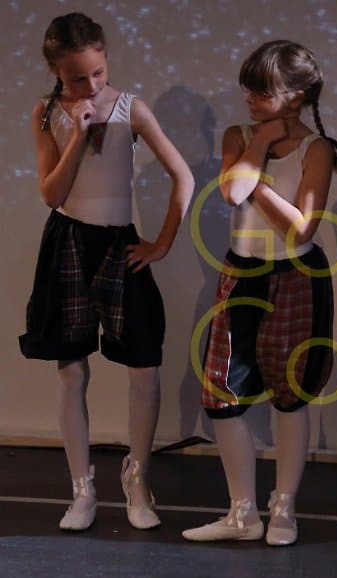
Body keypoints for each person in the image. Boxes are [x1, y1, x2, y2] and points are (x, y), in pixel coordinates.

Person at [19, 12, 193, 532]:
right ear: (56, 70)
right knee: (71, 368)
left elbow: (182, 175)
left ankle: (137, 477)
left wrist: (161, 243)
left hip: (119, 243)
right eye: (78, 78)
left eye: (98, 72)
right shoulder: (46, 112)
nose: (92, 85)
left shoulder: (130, 108)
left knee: (144, 365)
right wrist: (78, 133)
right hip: (69, 241)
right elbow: (52, 193)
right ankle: (82, 489)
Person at [181, 40, 337, 545]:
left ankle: (284, 508)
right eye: (249, 90)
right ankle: (242, 512)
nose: (250, 99)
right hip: (242, 272)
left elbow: (300, 228)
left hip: (296, 275)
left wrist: (255, 178)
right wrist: (258, 144)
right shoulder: (238, 136)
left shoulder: (316, 148)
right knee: (224, 392)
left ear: (297, 95)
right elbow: (231, 192)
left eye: (262, 91)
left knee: (290, 394)